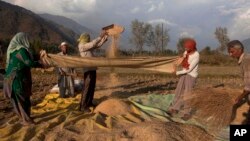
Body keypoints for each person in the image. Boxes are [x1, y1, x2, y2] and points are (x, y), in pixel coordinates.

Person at [3, 32, 45, 125]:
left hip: (12, 79)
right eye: (26, 39)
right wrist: (42, 65)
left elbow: (30, 57)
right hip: (17, 80)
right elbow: (29, 62)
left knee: (21, 99)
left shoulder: (14, 51)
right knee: (22, 100)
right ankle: (26, 120)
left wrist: (39, 55)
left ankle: (24, 117)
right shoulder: (21, 50)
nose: (28, 41)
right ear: (22, 40)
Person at [167, 38, 200, 120]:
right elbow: (183, 59)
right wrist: (177, 61)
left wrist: (177, 73)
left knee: (188, 93)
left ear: (192, 47)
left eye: (187, 48)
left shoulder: (196, 55)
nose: (186, 49)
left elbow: (189, 69)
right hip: (184, 73)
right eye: (185, 47)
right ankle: (174, 108)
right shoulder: (186, 52)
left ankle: (187, 112)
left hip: (191, 75)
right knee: (179, 90)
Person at [78, 31, 108, 112]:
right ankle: (83, 106)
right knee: (87, 88)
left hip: (92, 68)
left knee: (92, 87)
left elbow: (96, 45)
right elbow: (92, 44)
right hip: (88, 69)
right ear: (85, 39)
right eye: (88, 39)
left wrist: (104, 39)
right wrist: (100, 37)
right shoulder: (82, 46)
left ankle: (89, 102)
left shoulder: (87, 46)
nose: (89, 40)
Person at [227, 40, 250, 124]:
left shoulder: (246, 60)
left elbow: (248, 86)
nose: (230, 54)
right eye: (229, 52)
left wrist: (239, 98)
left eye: (232, 52)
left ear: (240, 50)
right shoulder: (245, 58)